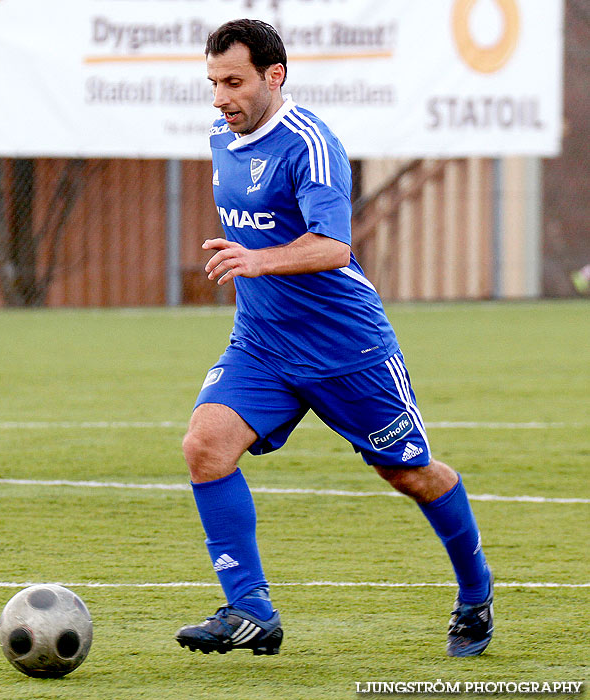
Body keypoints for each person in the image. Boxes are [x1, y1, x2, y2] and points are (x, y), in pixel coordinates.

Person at [174, 19, 493, 658]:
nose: (220, 98)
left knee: (410, 474)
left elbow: (333, 244)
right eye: (213, 83)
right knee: (205, 447)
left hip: (347, 351)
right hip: (262, 343)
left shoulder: (312, 144)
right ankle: (250, 608)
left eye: (233, 82)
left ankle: (476, 592)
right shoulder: (220, 137)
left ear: (274, 76)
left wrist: (256, 261)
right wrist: (252, 266)